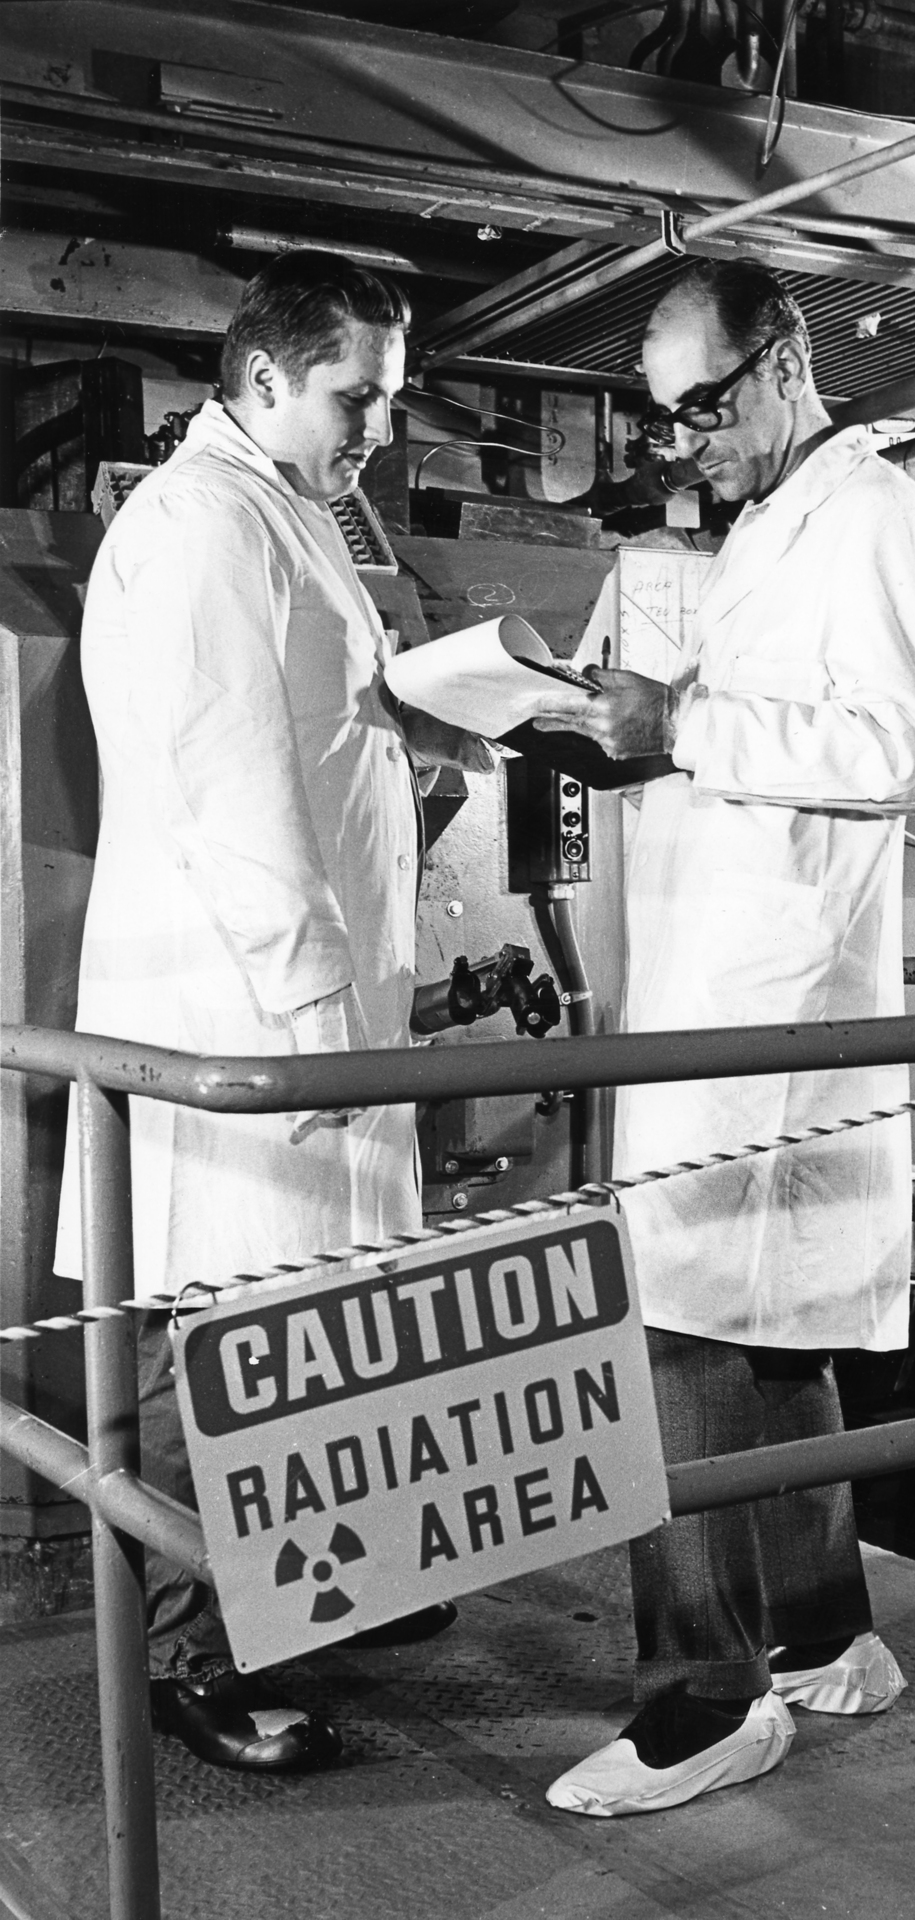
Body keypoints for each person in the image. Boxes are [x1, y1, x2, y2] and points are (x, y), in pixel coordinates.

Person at [533, 258, 915, 1816]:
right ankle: (829, 1635)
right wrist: (644, 735)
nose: (688, 445)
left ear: (784, 359)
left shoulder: (877, 519)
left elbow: (906, 749)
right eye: (666, 421)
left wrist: (685, 725)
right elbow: (771, 743)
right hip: (730, 984)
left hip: (773, 1003)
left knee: (685, 1324)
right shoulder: (774, 531)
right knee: (766, 1331)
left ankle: (704, 1701)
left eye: (703, 408)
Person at [54, 250, 490, 1771]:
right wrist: (314, 1019)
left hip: (311, 1008)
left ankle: (321, 1591)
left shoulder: (288, 512)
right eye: (355, 396)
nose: (380, 425)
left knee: (301, 1319)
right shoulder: (201, 527)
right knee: (221, 1328)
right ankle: (198, 1659)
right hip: (239, 1014)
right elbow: (233, 791)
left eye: (390, 395)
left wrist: (419, 732)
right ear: (259, 378)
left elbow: (308, 735)